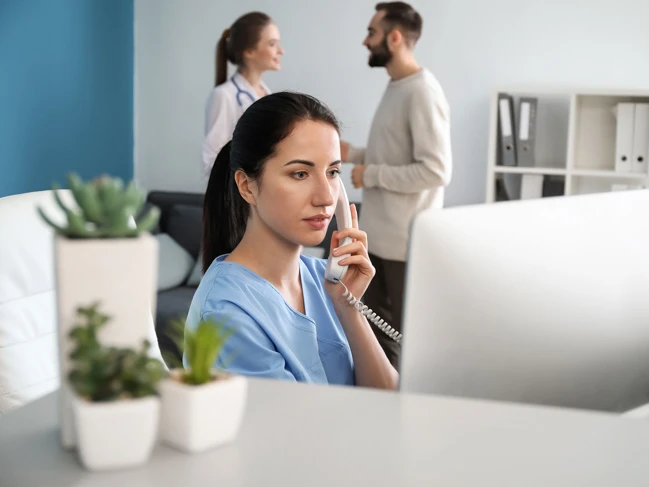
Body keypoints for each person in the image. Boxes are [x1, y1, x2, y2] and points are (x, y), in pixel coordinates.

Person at [186, 91, 399, 390]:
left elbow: (388, 399)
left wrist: (349, 308)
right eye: (300, 174)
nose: (326, 197)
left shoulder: (323, 280)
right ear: (247, 186)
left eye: (333, 172)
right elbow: (294, 432)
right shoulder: (226, 314)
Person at [340, 2, 453, 370]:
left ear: (395, 37)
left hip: (405, 247)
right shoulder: (398, 86)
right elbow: (396, 151)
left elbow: (436, 170)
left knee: (406, 346)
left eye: (371, 32)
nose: (364, 41)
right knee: (375, 340)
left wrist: (369, 174)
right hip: (381, 242)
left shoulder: (423, 91)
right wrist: (354, 153)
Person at [201, 12, 284, 175]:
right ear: (249, 51)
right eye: (272, 44)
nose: (281, 51)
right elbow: (212, 160)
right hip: (240, 193)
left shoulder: (268, 95)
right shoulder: (224, 96)